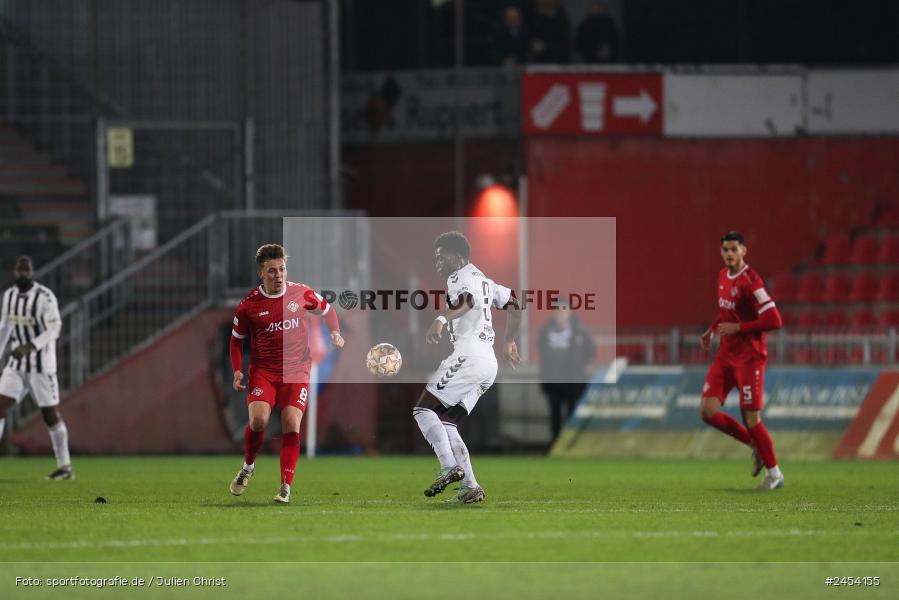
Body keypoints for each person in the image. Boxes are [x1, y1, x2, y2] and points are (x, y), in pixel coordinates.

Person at [228, 244, 343, 503]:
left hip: (297, 370)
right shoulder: (249, 306)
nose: (278, 275)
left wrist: (334, 332)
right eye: (272, 271)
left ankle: (285, 486)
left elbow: (328, 310)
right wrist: (237, 370)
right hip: (264, 372)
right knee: (258, 422)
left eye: (282, 269)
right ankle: (248, 467)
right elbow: (236, 341)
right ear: (261, 274)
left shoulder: (301, 293)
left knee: (292, 422)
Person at [414, 231, 521, 504]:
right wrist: (509, 341)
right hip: (488, 366)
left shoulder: (459, 278)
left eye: (441, 257)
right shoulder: (484, 279)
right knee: (448, 422)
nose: (437, 262)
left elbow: (468, 301)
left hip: (469, 357)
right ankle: (471, 487)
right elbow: (515, 303)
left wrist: (440, 318)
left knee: (423, 409)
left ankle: (449, 467)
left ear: (457, 256)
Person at [700, 232, 784, 490]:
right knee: (707, 411)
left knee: (752, 419)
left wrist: (739, 328)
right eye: (725, 249)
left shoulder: (752, 282)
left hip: (750, 358)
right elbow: (727, 311)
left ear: (744, 251)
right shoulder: (722, 276)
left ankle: (775, 475)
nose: (729, 254)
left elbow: (774, 320)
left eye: (734, 249)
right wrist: (712, 329)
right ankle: (753, 446)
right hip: (726, 356)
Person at [0, 256, 71, 479]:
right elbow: (4, 329)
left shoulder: (45, 297)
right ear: (14, 272)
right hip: (16, 365)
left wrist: (30, 346)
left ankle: (65, 466)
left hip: (41, 367)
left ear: (32, 272)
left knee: (49, 414)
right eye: (19, 270)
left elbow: (55, 328)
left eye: (26, 270)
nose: (22, 274)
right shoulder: (9, 296)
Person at [538, 303, 595, 441]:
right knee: (555, 414)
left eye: (564, 311)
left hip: (573, 381)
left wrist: (579, 367)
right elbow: (542, 351)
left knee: (573, 413)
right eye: (557, 311)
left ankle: (571, 443)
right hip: (553, 381)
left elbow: (590, 351)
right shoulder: (546, 332)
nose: (560, 314)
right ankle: (556, 443)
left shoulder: (579, 332)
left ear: (569, 313)